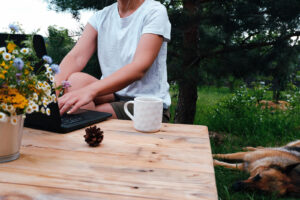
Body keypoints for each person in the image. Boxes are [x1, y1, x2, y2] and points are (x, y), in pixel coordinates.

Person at [55, 0, 171, 122]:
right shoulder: (100, 17)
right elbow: (76, 57)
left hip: (147, 104)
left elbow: (139, 68)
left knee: (82, 116)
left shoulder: (154, 11)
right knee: (75, 81)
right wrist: (51, 91)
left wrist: (89, 91)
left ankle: (80, 128)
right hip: (113, 94)